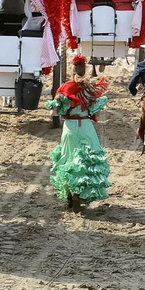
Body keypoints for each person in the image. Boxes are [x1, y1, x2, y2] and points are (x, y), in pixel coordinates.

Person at [44, 55, 110, 212]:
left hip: (70, 128)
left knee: (69, 161)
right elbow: (97, 111)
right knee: (88, 161)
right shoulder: (89, 88)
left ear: (72, 71)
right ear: (85, 70)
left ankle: (71, 195)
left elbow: (55, 113)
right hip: (86, 126)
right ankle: (81, 194)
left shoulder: (65, 88)